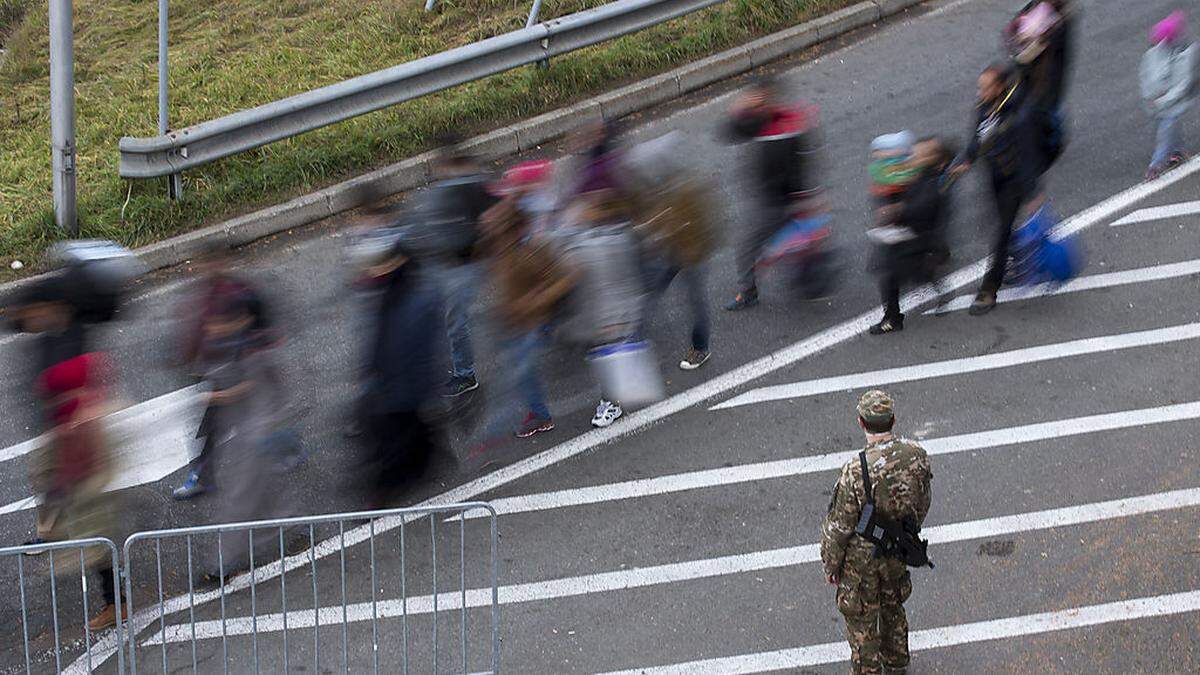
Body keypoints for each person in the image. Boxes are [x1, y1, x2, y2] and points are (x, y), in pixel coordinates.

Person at [821, 390, 933, 675]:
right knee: (893, 608)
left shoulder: (855, 470)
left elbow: (840, 526)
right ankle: (897, 664)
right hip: (896, 549)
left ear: (861, 423)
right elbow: (923, 501)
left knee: (862, 622)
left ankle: (868, 671)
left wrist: (831, 565)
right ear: (893, 420)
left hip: (862, 560)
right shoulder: (916, 456)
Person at [172, 245, 274, 500]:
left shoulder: (238, 293)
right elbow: (199, 331)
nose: (205, 268)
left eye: (210, 263)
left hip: (237, 368)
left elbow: (260, 327)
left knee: (251, 424)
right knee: (211, 429)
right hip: (217, 369)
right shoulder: (206, 294)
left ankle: (282, 451)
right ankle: (202, 476)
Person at [38, 353, 127, 630]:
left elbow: (89, 462)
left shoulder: (81, 415)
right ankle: (116, 603)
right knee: (100, 544)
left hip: (92, 490)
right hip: (87, 486)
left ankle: (117, 605)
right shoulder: (77, 409)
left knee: (100, 543)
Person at [359, 239, 446, 505]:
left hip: (401, 387)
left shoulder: (412, 299)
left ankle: (385, 490)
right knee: (409, 432)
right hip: (400, 386)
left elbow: (407, 347)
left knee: (395, 439)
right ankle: (422, 465)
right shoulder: (399, 293)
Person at [722, 76, 819, 310]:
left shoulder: (782, 126)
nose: (757, 107)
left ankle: (748, 293)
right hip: (775, 199)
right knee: (786, 244)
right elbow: (730, 131)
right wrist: (739, 109)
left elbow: (801, 165)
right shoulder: (771, 121)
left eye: (760, 102)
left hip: (775, 202)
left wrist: (806, 198)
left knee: (746, 247)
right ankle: (804, 276)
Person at [951, 63, 1039, 316]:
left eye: (986, 88)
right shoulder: (983, 109)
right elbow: (977, 140)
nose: (981, 92)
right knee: (1000, 227)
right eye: (980, 87)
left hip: (1014, 180)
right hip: (994, 176)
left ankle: (989, 288)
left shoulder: (1017, 114)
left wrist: (1032, 191)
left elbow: (1028, 153)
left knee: (1001, 232)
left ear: (1000, 87)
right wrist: (966, 160)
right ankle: (1018, 257)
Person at [9, 276, 88, 548]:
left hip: (76, 425)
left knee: (63, 481)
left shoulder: (75, 336)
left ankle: (59, 536)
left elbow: (81, 382)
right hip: (55, 426)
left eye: (37, 310)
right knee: (45, 475)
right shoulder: (47, 338)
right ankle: (52, 534)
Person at [423, 136, 499, 398]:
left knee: (455, 321)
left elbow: (494, 217)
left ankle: (465, 374)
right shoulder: (451, 188)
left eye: (440, 166)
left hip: (465, 265)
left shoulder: (472, 186)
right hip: (450, 263)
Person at [869, 137, 956, 334]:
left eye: (919, 154)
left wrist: (897, 210)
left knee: (890, 276)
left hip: (918, 237)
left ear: (933, 159)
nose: (913, 157)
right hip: (912, 234)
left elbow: (923, 206)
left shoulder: (935, 183)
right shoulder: (923, 174)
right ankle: (940, 288)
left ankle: (892, 319)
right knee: (917, 273)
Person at [1140, 11, 1196, 180]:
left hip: (1162, 101)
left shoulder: (1153, 55)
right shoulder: (1179, 53)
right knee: (1167, 129)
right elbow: (1182, 83)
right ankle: (1166, 158)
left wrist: (1154, 98)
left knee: (1167, 128)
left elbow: (1146, 77)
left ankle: (1165, 159)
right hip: (1165, 101)